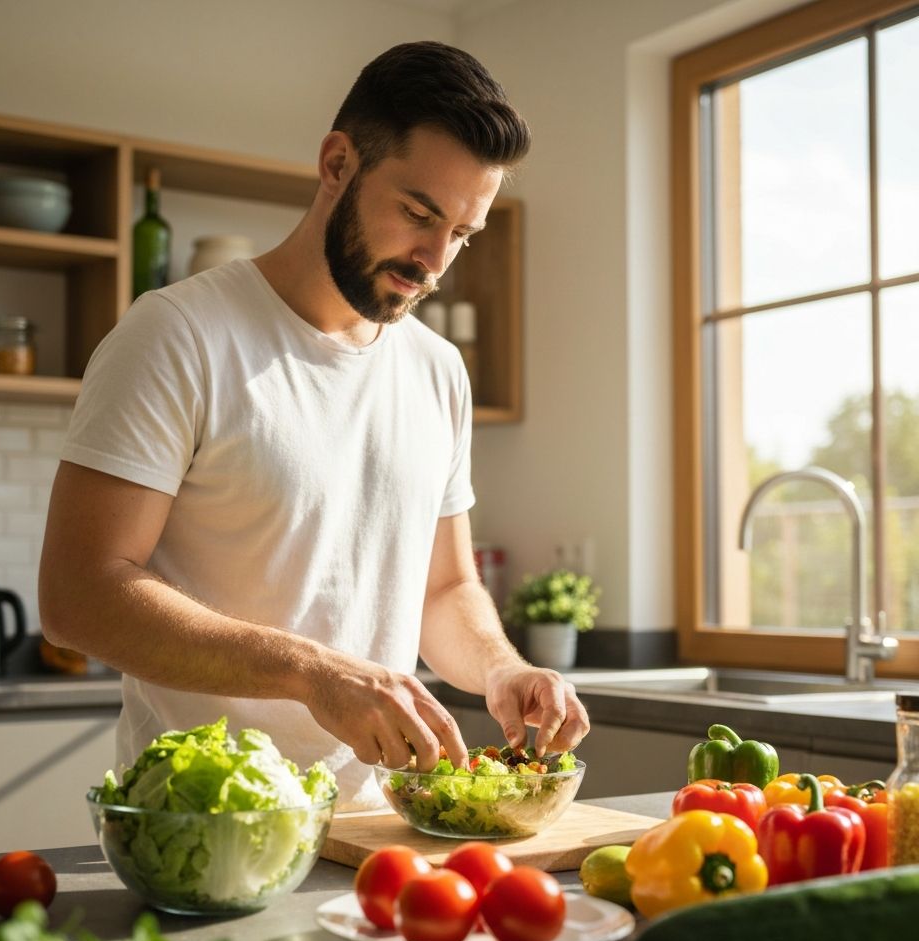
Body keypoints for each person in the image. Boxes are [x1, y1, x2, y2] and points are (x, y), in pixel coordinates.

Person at [39, 40, 590, 810]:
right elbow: (78, 595)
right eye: (418, 214)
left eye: (463, 234)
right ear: (337, 164)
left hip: (378, 828)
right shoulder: (178, 334)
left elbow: (444, 588)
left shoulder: (438, 370)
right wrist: (311, 672)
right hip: (204, 827)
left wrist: (502, 668)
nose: (435, 260)